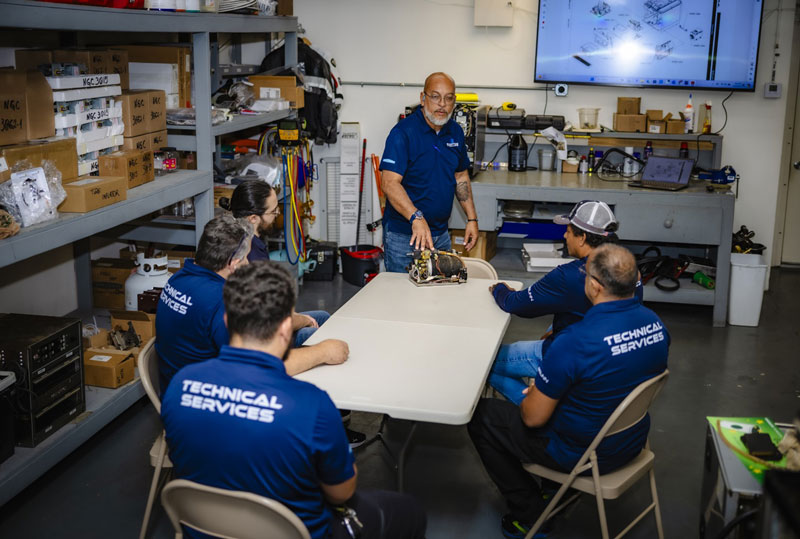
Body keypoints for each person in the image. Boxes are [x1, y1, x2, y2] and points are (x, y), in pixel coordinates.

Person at [161, 261, 427, 539]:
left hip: (205, 529)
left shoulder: (180, 385)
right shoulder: (312, 406)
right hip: (295, 532)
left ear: (227, 321)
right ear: (287, 328)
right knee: (408, 511)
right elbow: (342, 493)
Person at [468, 244, 669, 538]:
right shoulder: (656, 325)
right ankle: (551, 489)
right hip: (631, 441)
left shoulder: (574, 341)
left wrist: (535, 397)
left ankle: (529, 516)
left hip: (583, 454)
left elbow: (533, 419)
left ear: (594, 286)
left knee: (482, 416)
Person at [155, 214, 348, 396]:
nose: (248, 262)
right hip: (217, 388)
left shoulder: (180, 277)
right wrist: (322, 352)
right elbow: (257, 367)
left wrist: (301, 320)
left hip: (185, 375)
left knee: (320, 318)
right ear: (233, 263)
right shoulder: (220, 301)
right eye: (246, 257)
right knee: (317, 340)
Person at [488, 200, 642, 405]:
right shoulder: (627, 268)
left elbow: (516, 305)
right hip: (609, 356)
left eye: (568, 231)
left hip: (570, 357)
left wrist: (499, 289)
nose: (564, 235)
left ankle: (534, 403)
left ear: (583, 237)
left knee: (483, 361)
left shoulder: (569, 277)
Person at [379, 71, 479, 272]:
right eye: (435, 96)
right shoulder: (403, 133)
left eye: (448, 98)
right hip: (404, 236)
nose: (442, 104)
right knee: (403, 297)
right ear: (423, 99)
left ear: (454, 101)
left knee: (438, 297)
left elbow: (460, 176)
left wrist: (471, 218)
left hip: (441, 235)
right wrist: (416, 216)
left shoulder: (455, 132)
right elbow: (389, 183)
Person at [220, 179, 328, 345]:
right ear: (254, 218)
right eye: (273, 212)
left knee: (322, 317)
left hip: (258, 317)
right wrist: (302, 320)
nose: (278, 214)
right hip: (257, 332)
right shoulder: (250, 254)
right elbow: (267, 317)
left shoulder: (238, 236)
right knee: (314, 330)